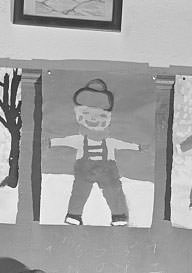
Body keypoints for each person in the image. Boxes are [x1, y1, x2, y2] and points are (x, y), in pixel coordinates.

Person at [49, 78, 144, 226]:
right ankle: (74, 215)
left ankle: (118, 216)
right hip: (84, 171)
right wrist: (51, 142)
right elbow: (65, 140)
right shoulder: (80, 140)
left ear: (108, 119)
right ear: (79, 116)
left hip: (107, 172)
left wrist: (137, 147)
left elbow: (123, 144)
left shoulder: (109, 141)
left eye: (100, 116)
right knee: (79, 192)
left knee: (113, 191)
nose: (93, 119)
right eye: (87, 114)